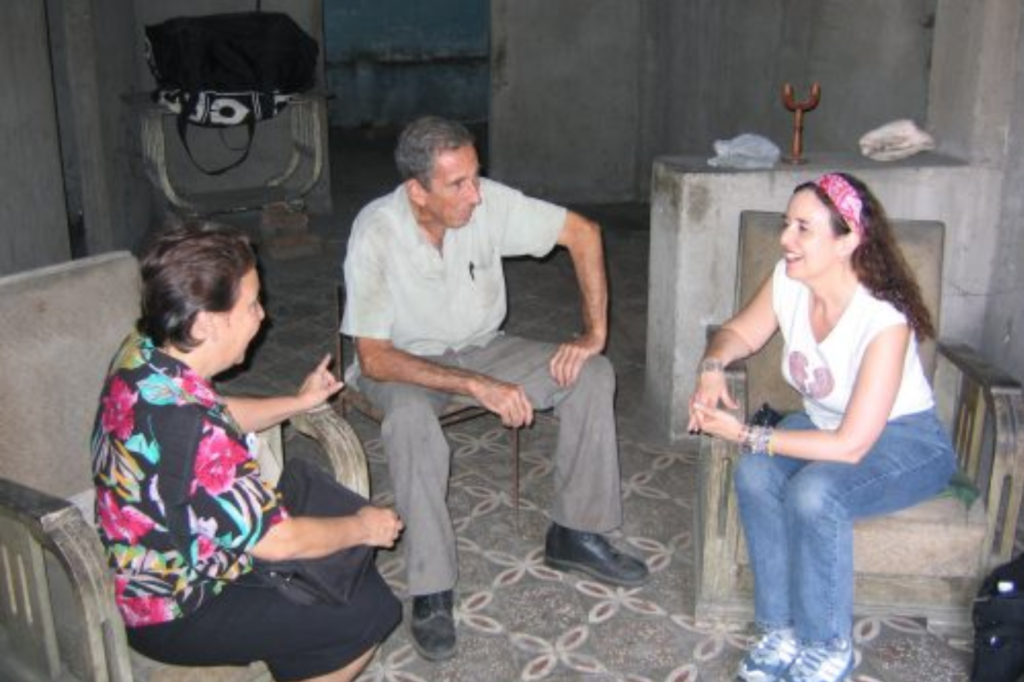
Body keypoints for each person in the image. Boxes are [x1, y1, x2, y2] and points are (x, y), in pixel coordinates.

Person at [341, 116, 649, 661]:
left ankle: (574, 533)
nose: (475, 195)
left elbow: (583, 233)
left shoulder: (487, 203)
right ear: (418, 191)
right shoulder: (377, 231)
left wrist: (593, 335)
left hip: (482, 345)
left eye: (476, 176)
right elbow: (375, 357)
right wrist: (476, 384)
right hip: (404, 361)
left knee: (592, 375)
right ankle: (432, 588)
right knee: (410, 421)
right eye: (458, 185)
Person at [91, 222, 403, 682]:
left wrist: (298, 403)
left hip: (153, 565)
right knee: (369, 609)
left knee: (333, 567)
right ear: (206, 322)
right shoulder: (195, 430)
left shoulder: (144, 355)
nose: (264, 316)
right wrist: (363, 527)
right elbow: (276, 541)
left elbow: (217, 412)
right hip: (178, 609)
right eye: (252, 304)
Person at [689, 172, 956, 682]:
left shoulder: (884, 320)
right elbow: (737, 332)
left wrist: (745, 433)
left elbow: (852, 445)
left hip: (906, 440)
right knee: (755, 474)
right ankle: (781, 631)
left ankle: (828, 644)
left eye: (803, 228)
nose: (785, 239)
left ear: (847, 240)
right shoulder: (789, 279)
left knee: (815, 494)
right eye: (786, 224)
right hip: (824, 423)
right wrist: (711, 368)